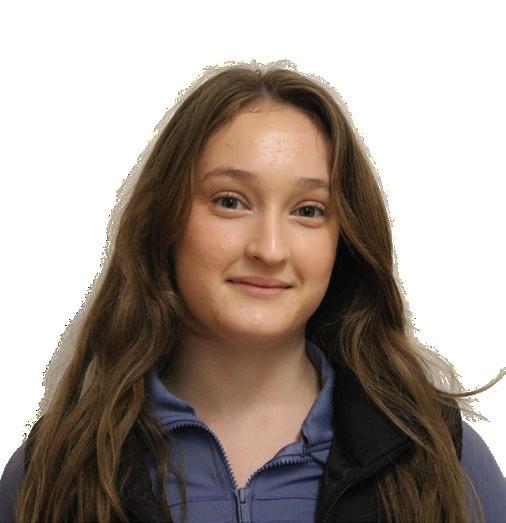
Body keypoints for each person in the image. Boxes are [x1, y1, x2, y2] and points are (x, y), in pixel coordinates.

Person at [1, 59, 505, 523]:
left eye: (308, 210)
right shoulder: (53, 470)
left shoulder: (443, 459)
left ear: (344, 241)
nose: (269, 249)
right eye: (230, 201)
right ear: (164, 221)